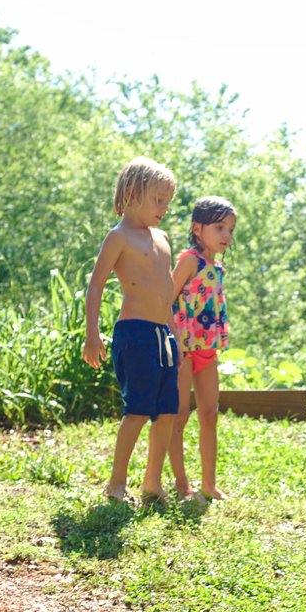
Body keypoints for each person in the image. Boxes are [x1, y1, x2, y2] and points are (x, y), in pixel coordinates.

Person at [82, 157, 179, 504]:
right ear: (134, 193)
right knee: (137, 410)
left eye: (168, 202)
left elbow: (166, 290)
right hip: (134, 333)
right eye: (158, 200)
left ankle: (152, 484)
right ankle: (116, 484)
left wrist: (175, 333)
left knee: (167, 409)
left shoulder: (162, 238)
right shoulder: (118, 237)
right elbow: (96, 285)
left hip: (163, 334)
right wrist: (92, 334)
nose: (164, 208)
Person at [168, 196, 237, 502]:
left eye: (231, 229)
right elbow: (165, 299)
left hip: (207, 349)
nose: (227, 235)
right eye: (220, 227)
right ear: (197, 228)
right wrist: (173, 341)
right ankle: (181, 484)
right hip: (182, 348)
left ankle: (209, 484)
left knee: (209, 414)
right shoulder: (189, 261)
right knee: (179, 415)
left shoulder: (216, 266)